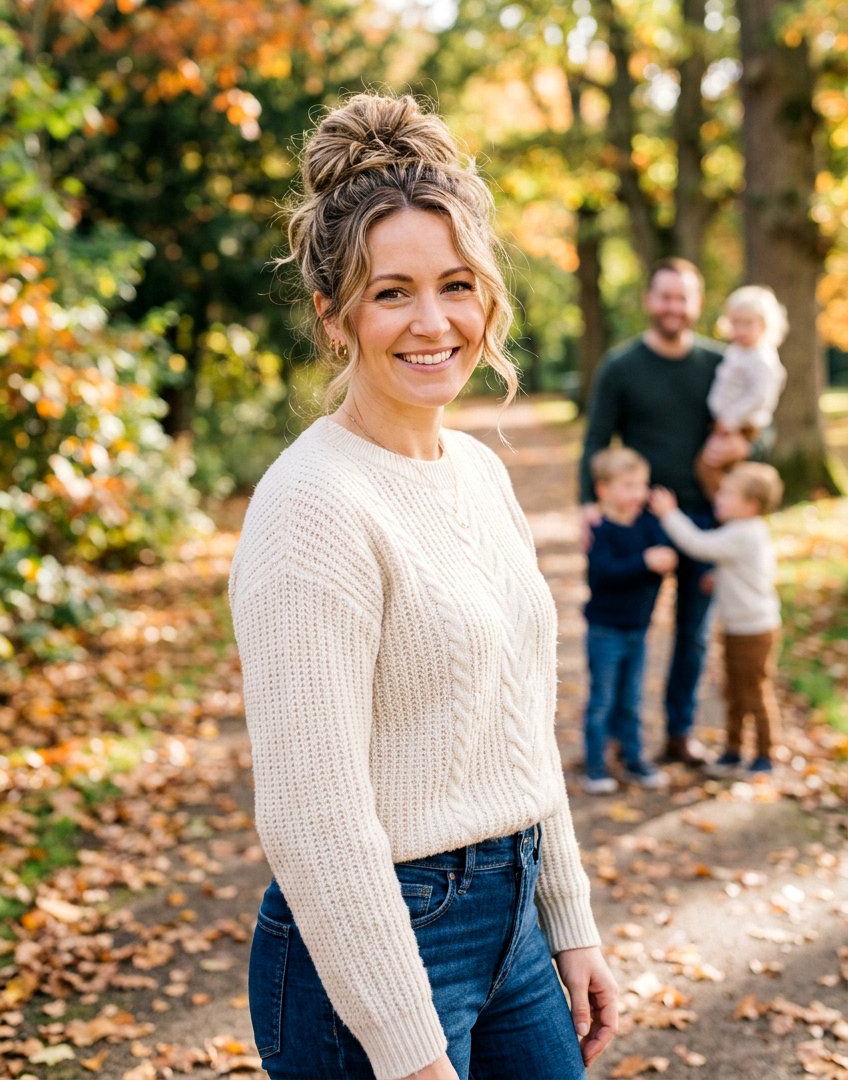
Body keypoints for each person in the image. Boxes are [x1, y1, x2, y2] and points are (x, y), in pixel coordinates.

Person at [229, 92, 618, 1080]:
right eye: (390, 291)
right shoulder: (313, 505)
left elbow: (517, 724)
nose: (432, 320)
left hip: (513, 922)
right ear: (333, 312)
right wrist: (407, 1053)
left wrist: (566, 919)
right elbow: (312, 815)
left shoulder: (478, 472)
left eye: (454, 284)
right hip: (373, 941)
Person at [578, 258, 751, 768]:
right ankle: (611, 735)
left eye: (683, 297)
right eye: (665, 296)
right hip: (638, 518)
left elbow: (755, 433)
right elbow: (594, 439)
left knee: (693, 635)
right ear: (649, 301)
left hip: (704, 519)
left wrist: (741, 447)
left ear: (697, 304)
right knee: (622, 625)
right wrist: (588, 505)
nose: (674, 306)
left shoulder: (723, 365)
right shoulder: (621, 366)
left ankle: (679, 734)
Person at [650, 462, 784, 777]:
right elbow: (742, 568)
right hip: (739, 628)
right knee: (734, 692)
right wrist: (720, 577)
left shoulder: (743, 533)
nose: (718, 499)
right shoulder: (743, 532)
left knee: (754, 692)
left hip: (755, 631)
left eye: (727, 494)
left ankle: (766, 754)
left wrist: (669, 513)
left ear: (750, 505)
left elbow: (699, 545)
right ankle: (735, 750)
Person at [580, 447, 677, 795]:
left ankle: (634, 759)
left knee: (632, 699)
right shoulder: (600, 530)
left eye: (642, 485)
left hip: (639, 629)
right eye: (629, 485)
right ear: (604, 489)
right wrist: (645, 562)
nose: (639, 493)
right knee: (602, 699)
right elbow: (605, 574)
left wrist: (663, 557)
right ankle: (595, 766)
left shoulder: (648, 524)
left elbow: (663, 553)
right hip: (605, 630)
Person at [695, 285, 787, 499]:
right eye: (735, 323)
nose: (740, 330)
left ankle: (729, 507)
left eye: (748, 324)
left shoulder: (762, 359)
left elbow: (760, 397)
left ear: (764, 326)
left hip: (741, 425)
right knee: (718, 469)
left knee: (709, 465)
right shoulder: (735, 351)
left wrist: (730, 419)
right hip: (726, 422)